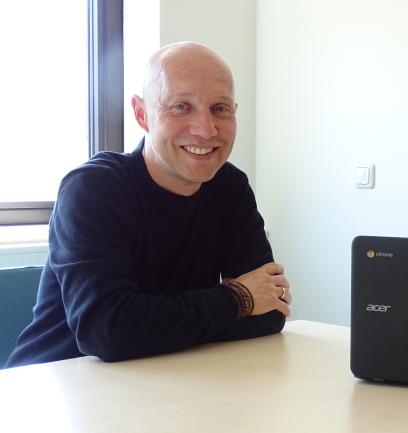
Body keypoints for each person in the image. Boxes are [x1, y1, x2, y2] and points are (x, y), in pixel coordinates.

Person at [5, 42, 291, 368]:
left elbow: (270, 311)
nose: (205, 129)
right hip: (55, 382)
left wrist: (153, 324)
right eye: (181, 107)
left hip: (168, 378)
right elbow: (107, 333)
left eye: (220, 109)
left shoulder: (229, 186)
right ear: (143, 114)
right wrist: (239, 298)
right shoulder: (93, 189)